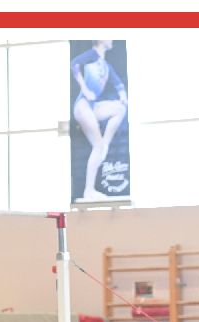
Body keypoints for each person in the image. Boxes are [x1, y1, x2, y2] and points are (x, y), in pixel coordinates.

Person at [71, 40, 128, 202]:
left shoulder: (106, 65)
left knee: (119, 109)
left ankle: (105, 144)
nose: (111, 40)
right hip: (83, 105)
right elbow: (74, 64)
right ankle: (88, 191)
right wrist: (85, 89)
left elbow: (118, 84)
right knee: (97, 146)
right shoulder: (92, 55)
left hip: (92, 106)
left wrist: (123, 95)